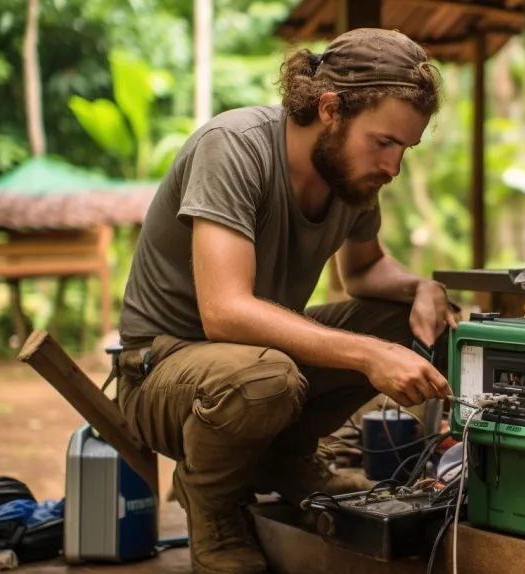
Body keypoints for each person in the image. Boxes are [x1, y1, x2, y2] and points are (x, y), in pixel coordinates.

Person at [113, 28, 457, 574]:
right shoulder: (235, 146)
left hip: (254, 365)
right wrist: (367, 356)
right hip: (162, 370)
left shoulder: (351, 177)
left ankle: (284, 459)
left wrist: (422, 289)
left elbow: (364, 272)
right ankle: (215, 507)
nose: (392, 167)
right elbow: (224, 311)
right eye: (384, 143)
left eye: (405, 149)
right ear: (329, 108)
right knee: (266, 378)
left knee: (404, 326)